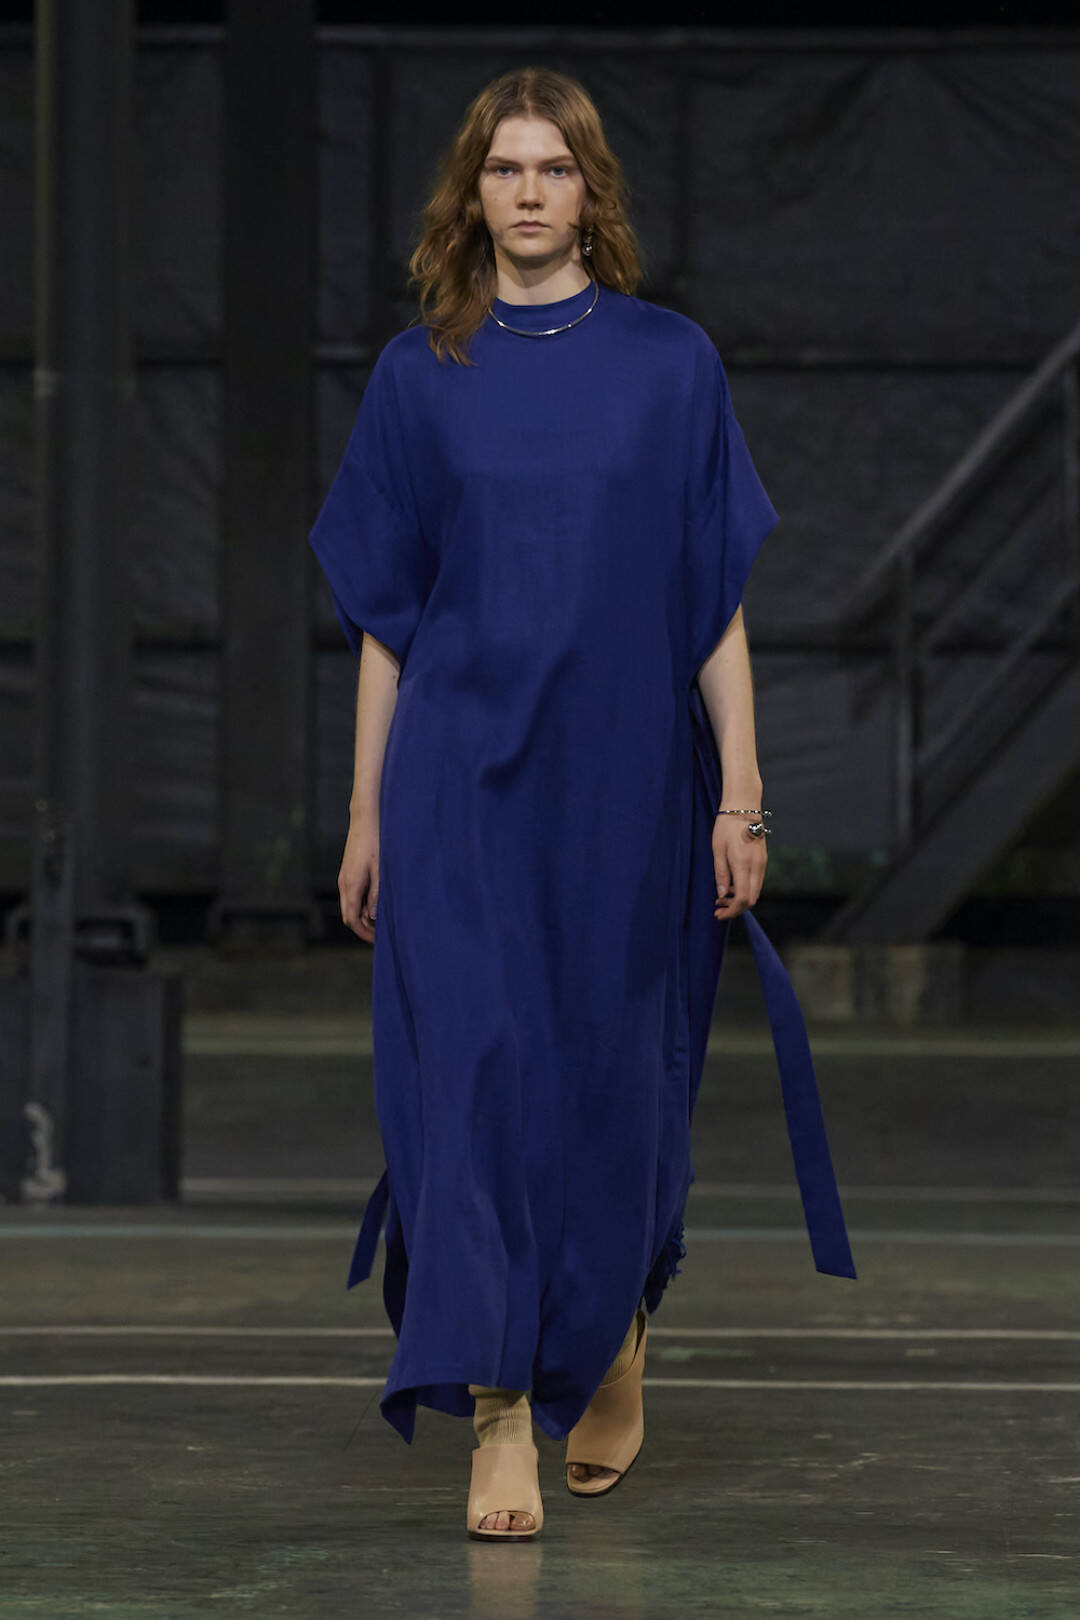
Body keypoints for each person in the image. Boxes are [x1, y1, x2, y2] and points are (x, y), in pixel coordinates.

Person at [309, 65, 855, 1544]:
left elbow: (708, 595)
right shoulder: (419, 373)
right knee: (470, 1080)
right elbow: (386, 621)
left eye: (555, 167)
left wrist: (742, 791)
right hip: (458, 781)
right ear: (470, 194)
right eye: (505, 168)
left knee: (616, 1080)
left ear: (591, 191)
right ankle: (499, 1410)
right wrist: (365, 813)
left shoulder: (670, 365)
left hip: (624, 780)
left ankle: (612, 1327)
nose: (531, 191)